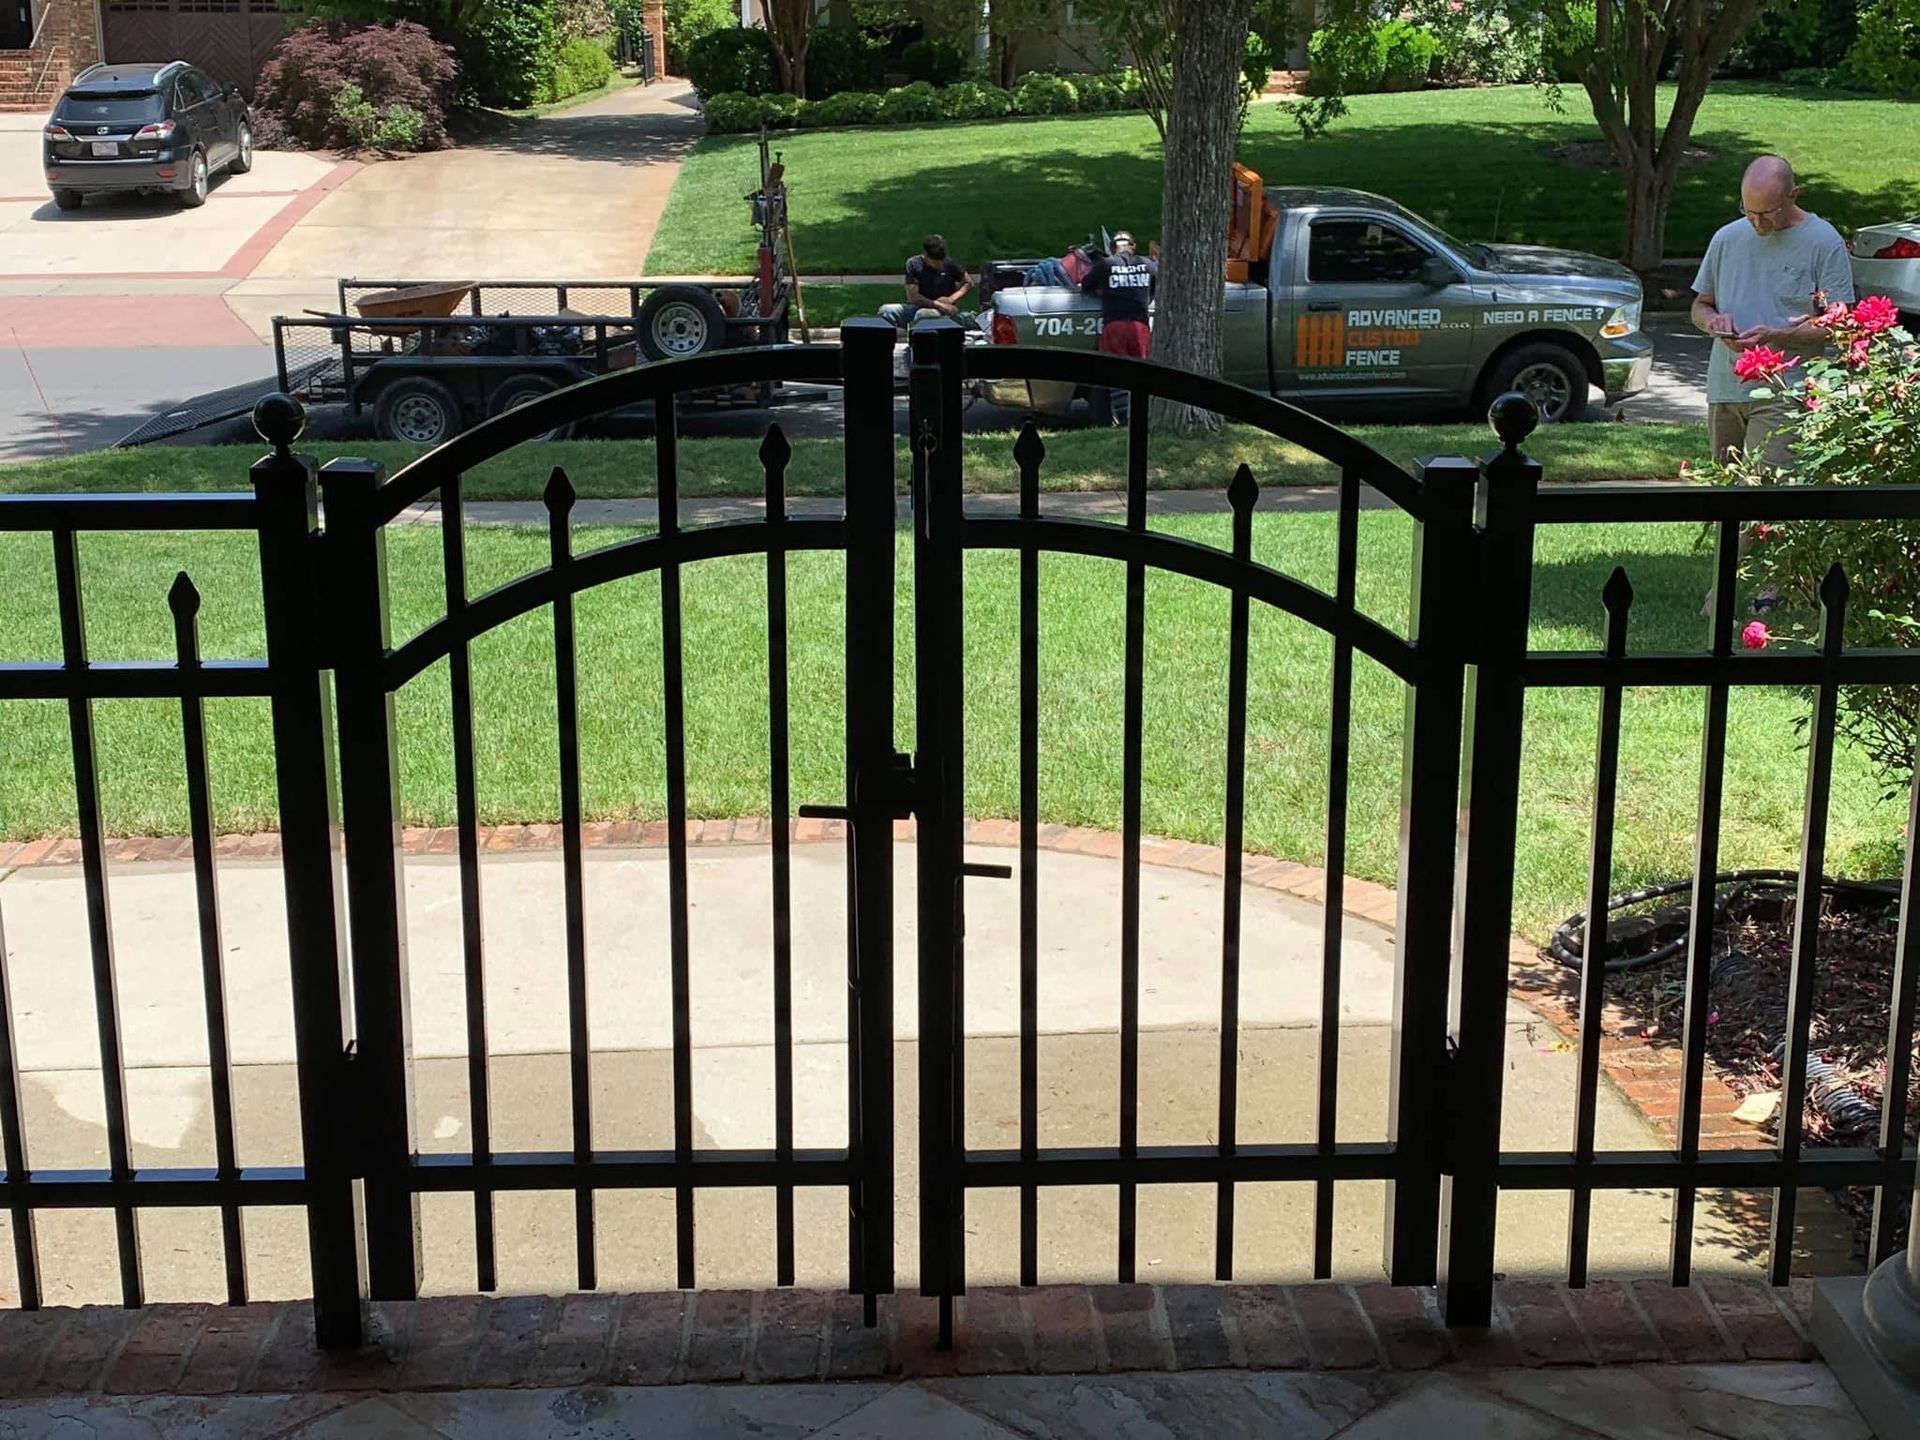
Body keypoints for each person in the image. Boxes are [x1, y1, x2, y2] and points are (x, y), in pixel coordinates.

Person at [1691, 155, 1854, 467]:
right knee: (1723, 486)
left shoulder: (1823, 241)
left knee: (1765, 488)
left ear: (1793, 196)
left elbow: (1839, 320)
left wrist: (1778, 334)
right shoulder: (1726, 238)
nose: (1757, 223)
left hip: (1784, 389)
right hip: (1725, 388)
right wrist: (1713, 322)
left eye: (1766, 213)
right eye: (1748, 211)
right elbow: (1700, 305)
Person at [1079, 230, 1158, 423]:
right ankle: (1141, 416)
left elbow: (1086, 285)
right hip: (1139, 326)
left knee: (1116, 373)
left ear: (1112, 248)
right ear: (1133, 246)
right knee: (1141, 372)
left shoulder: (1105, 264)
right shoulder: (1149, 264)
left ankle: (1124, 418)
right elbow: (1156, 288)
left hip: (1114, 325)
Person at [880, 234, 973, 331]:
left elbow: (968, 283)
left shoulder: (950, 263)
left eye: (941, 260)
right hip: (919, 306)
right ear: (925, 255)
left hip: (940, 311)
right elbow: (913, 297)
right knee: (886, 310)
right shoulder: (914, 264)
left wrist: (951, 299)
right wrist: (939, 304)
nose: (939, 264)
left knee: (924, 314)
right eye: (935, 261)